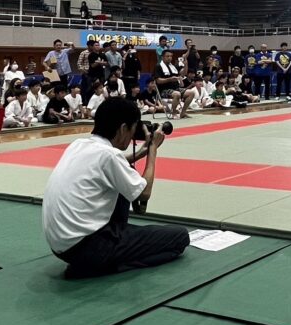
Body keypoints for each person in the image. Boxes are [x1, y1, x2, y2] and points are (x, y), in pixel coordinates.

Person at [41, 98, 188, 278]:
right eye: (133, 128)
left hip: (62, 246)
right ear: (123, 128)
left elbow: (108, 165)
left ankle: (107, 253)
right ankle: (106, 265)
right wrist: (152, 150)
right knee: (179, 237)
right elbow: (144, 194)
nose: (134, 134)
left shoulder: (78, 145)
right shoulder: (109, 155)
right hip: (89, 248)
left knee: (125, 176)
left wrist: (141, 152)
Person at [154, 51, 192, 119]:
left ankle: (183, 113)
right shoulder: (158, 66)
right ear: (162, 57)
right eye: (167, 56)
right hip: (164, 90)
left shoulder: (173, 66)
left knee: (191, 93)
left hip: (175, 88)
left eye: (171, 56)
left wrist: (186, 64)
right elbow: (158, 81)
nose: (169, 58)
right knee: (177, 94)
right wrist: (169, 79)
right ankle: (174, 113)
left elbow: (183, 74)